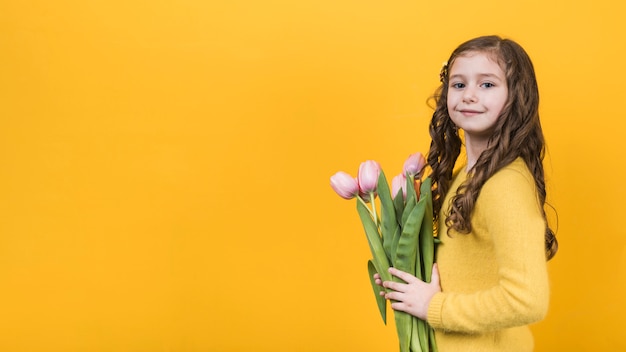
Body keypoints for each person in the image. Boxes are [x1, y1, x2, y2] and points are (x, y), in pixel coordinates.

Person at [374, 35, 558, 351]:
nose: (469, 95)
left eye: (487, 85)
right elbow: (465, 268)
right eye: (458, 85)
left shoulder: (505, 184)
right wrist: (407, 277)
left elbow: (528, 300)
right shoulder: (466, 176)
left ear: (517, 96)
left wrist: (433, 306)